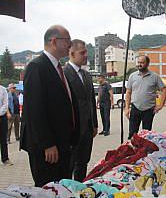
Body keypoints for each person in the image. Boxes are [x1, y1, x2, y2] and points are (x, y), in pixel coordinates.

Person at [21, 25, 80, 187]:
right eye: (67, 40)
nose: (70, 44)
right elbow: (34, 110)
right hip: (48, 149)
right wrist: (47, 144)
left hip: (63, 144)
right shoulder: (37, 67)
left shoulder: (58, 68)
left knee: (63, 187)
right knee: (48, 189)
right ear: (54, 41)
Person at [64, 39, 98, 182]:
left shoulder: (86, 75)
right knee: (69, 165)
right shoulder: (64, 73)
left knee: (83, 162)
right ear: (71, 53)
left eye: (86, 52)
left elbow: (91, 101)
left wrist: (94, 124)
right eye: (82, 52)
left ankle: (80, 188)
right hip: (72, 129)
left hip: (88, 128)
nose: (86, 55)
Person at [125, 55, 166, 139]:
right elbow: (128, 92)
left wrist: (160, 105)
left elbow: (164, 89)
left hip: (149, 110)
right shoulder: (132, 76)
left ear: (147, 64)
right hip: (135, 108)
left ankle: (144, 151)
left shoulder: (154, 76)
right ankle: (131, 150)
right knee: (132, 134)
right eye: (138, 62)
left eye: (142, 62)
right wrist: (126, 108)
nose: (139, 64)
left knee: (147, 134)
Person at [0, 84, 13, 166]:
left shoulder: (3, 89)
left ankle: (5, 159)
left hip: (2, 117)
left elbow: (5, 104)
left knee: (3, 139)